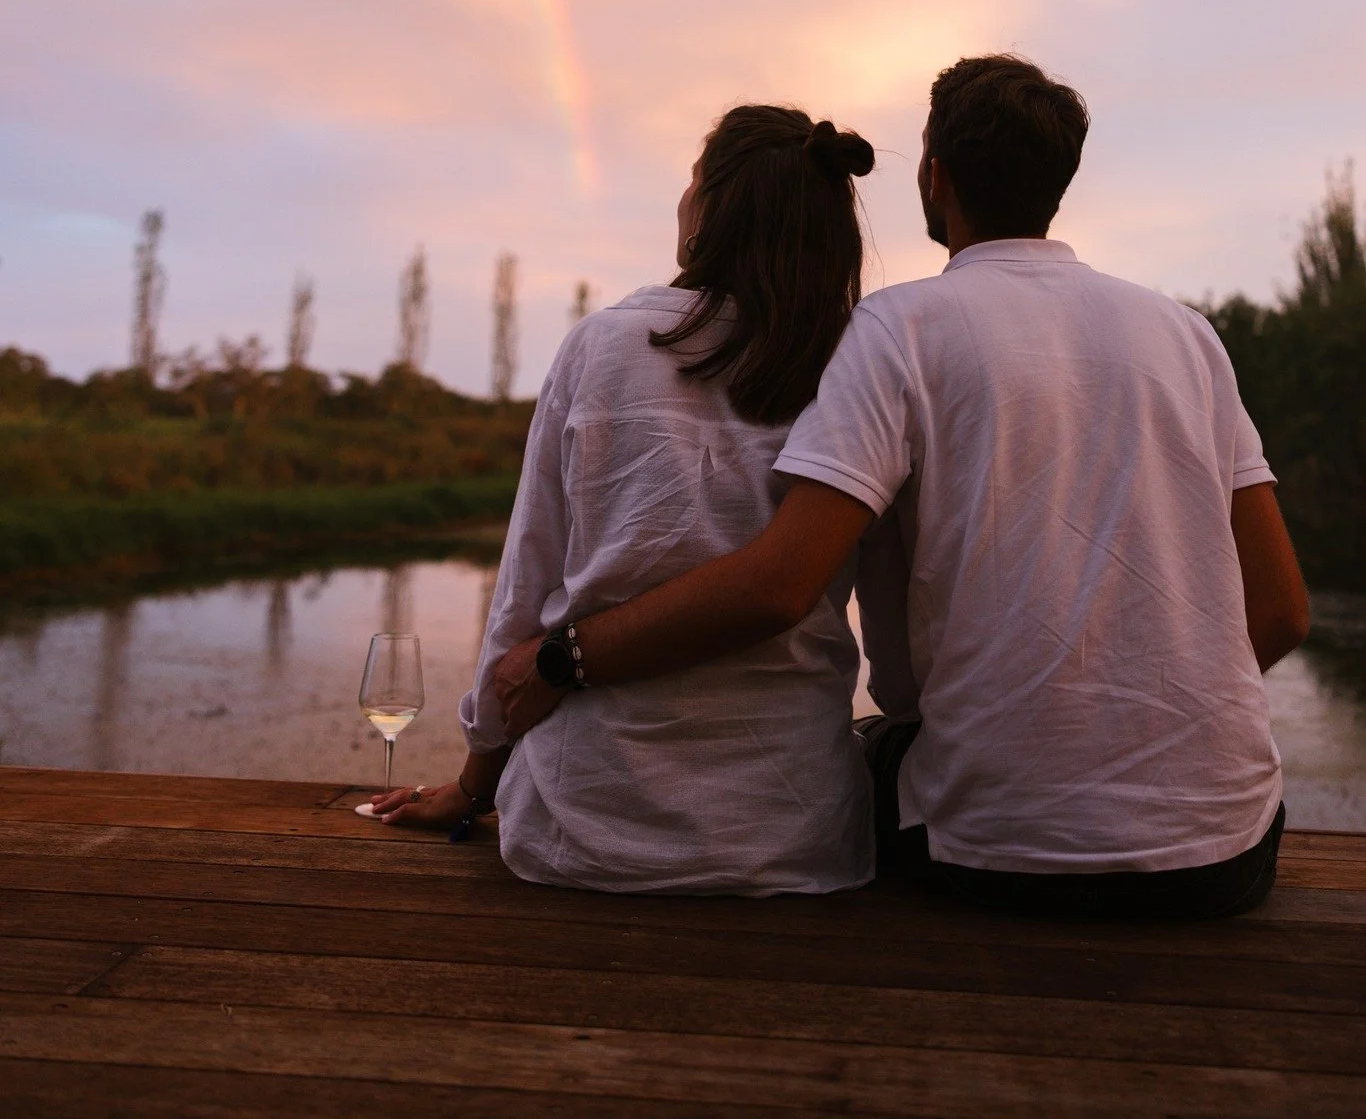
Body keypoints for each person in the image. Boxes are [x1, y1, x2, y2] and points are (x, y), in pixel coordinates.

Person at [496, 56, 1310, 922]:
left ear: (934, 175)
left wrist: (561, 659)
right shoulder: (1189, 337)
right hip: (1227, 855)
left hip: (997, 853)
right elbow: (1283, 614)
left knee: (878, 752)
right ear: (1061, 181)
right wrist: (1136, 718)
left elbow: (781, 586)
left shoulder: (901, 328)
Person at [370, 103, 878, 895]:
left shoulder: (607, 347)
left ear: (711, 211)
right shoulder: (856, 367)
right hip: (790, 836)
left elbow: (524, 592)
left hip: (587, 834)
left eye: (692, 181)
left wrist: (473, 788)